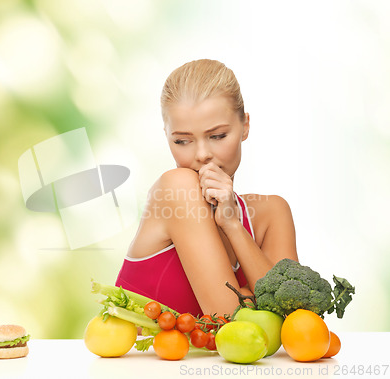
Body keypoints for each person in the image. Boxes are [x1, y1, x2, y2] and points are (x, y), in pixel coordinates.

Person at [115, 59, 298, 317]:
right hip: (140, 358)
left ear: (245, 125)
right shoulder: (176, 187)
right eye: (182, 141)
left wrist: (232, 225)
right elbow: (228, 319)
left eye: (217, 136)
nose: (202, 154)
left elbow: (294, 318)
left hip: (224, 359)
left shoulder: (271, 213)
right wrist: (250, 294)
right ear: (166, 136)